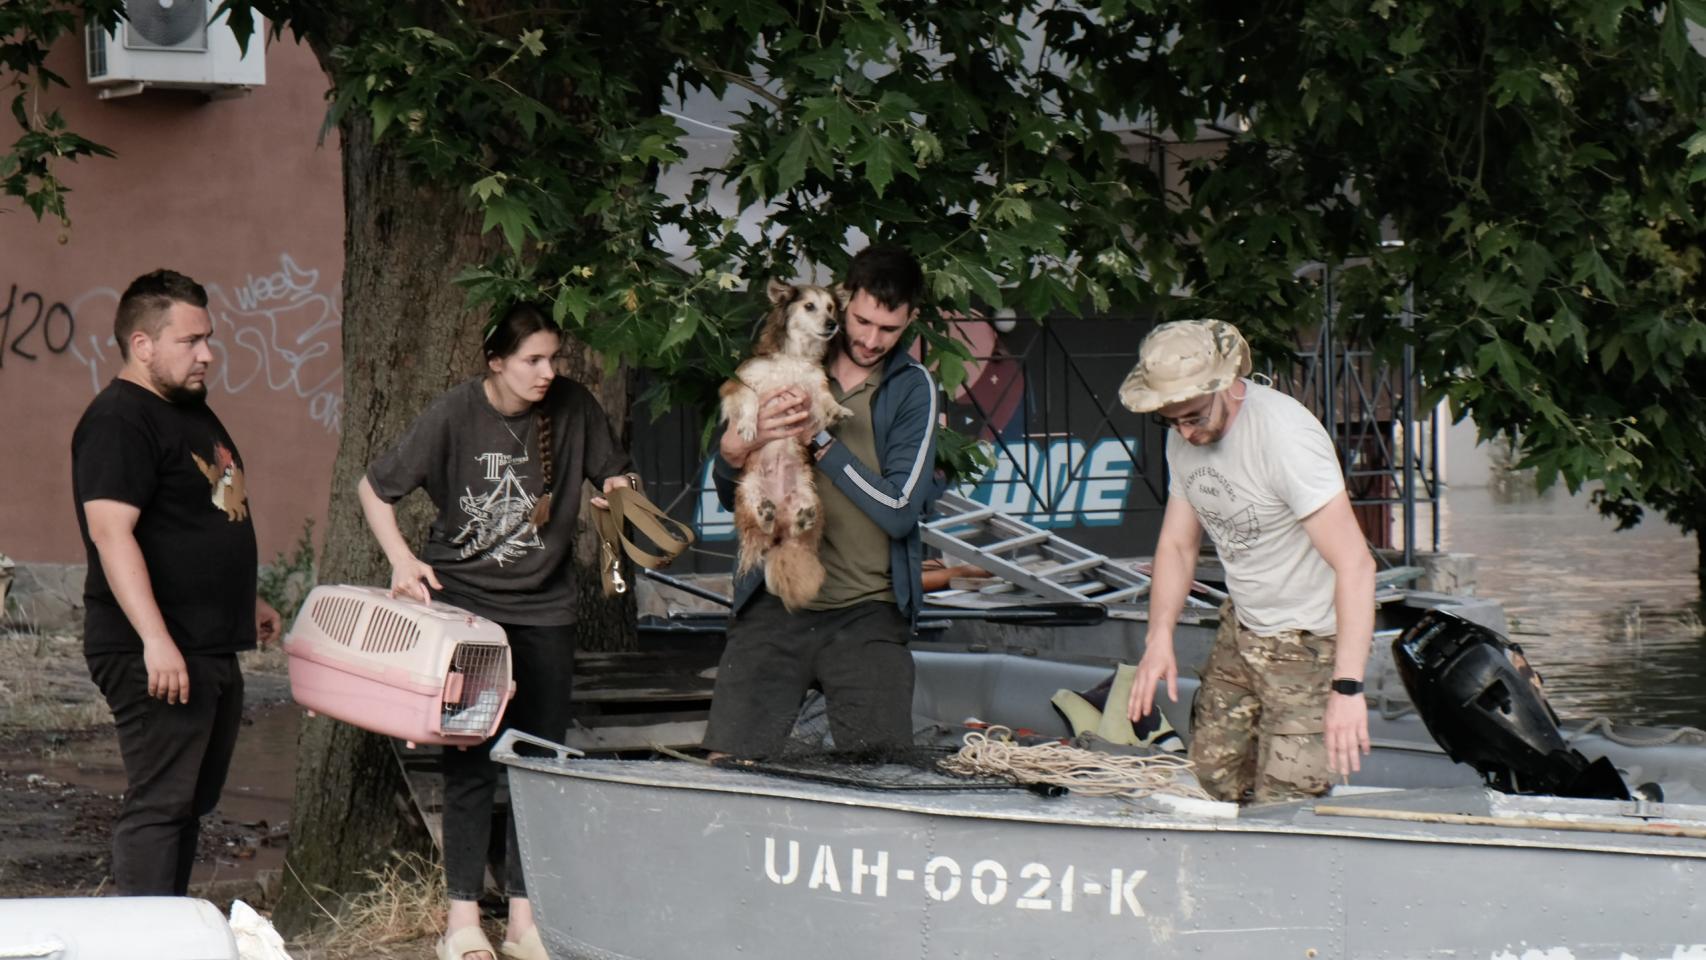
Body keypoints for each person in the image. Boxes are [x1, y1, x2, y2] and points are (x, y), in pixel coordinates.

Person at [358, 303, 635, 960]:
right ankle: (460, 923)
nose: (548, 372)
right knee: (471, 762)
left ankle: (522, 922)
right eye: (532, 360)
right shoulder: (456, 413)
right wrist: (402, 561)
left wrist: (617, 507)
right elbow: (375, 489)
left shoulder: (572, 406)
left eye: (553, 358)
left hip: (546, 611)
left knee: (538, 765)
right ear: (497, 362)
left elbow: (618, 480)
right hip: (470, 615)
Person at [72, 268, 283, 896]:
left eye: (208, 338)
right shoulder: (118, 420)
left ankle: (163, 926)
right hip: (157, 649)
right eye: (190, 341)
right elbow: (113, 535)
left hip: (209, 641)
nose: (207, 353)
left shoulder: (188, 410)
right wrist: (156, 641)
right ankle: (141, 937)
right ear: (143, 345)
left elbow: (201, 516)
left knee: (190, 802)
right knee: (161, 804)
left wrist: (242, 597)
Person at [1118, 319, 1376, 804]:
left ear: (1226, 385)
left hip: (1309, 646)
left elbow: (1357, 566)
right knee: (1211, 780)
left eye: (1193, 416)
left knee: (1286, 805)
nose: (1186, 432)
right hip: (1244, 630)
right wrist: (1158, 640)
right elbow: (1177, 545)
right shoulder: (1182, 432)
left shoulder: (1284, 438)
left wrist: (1347, 689)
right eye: (1171, 421)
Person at [702, 244, 940, 760]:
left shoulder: (911, 389)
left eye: (889, 329)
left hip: (867, 611)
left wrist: (822, 443)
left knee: (882, 778)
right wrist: (730, 452)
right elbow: (731, 494)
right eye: (861, 321)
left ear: (910, 321)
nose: (871, 339)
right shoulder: (785, 364)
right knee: (727, 770)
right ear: (842, 299)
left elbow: (900, 512)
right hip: (773, 601)